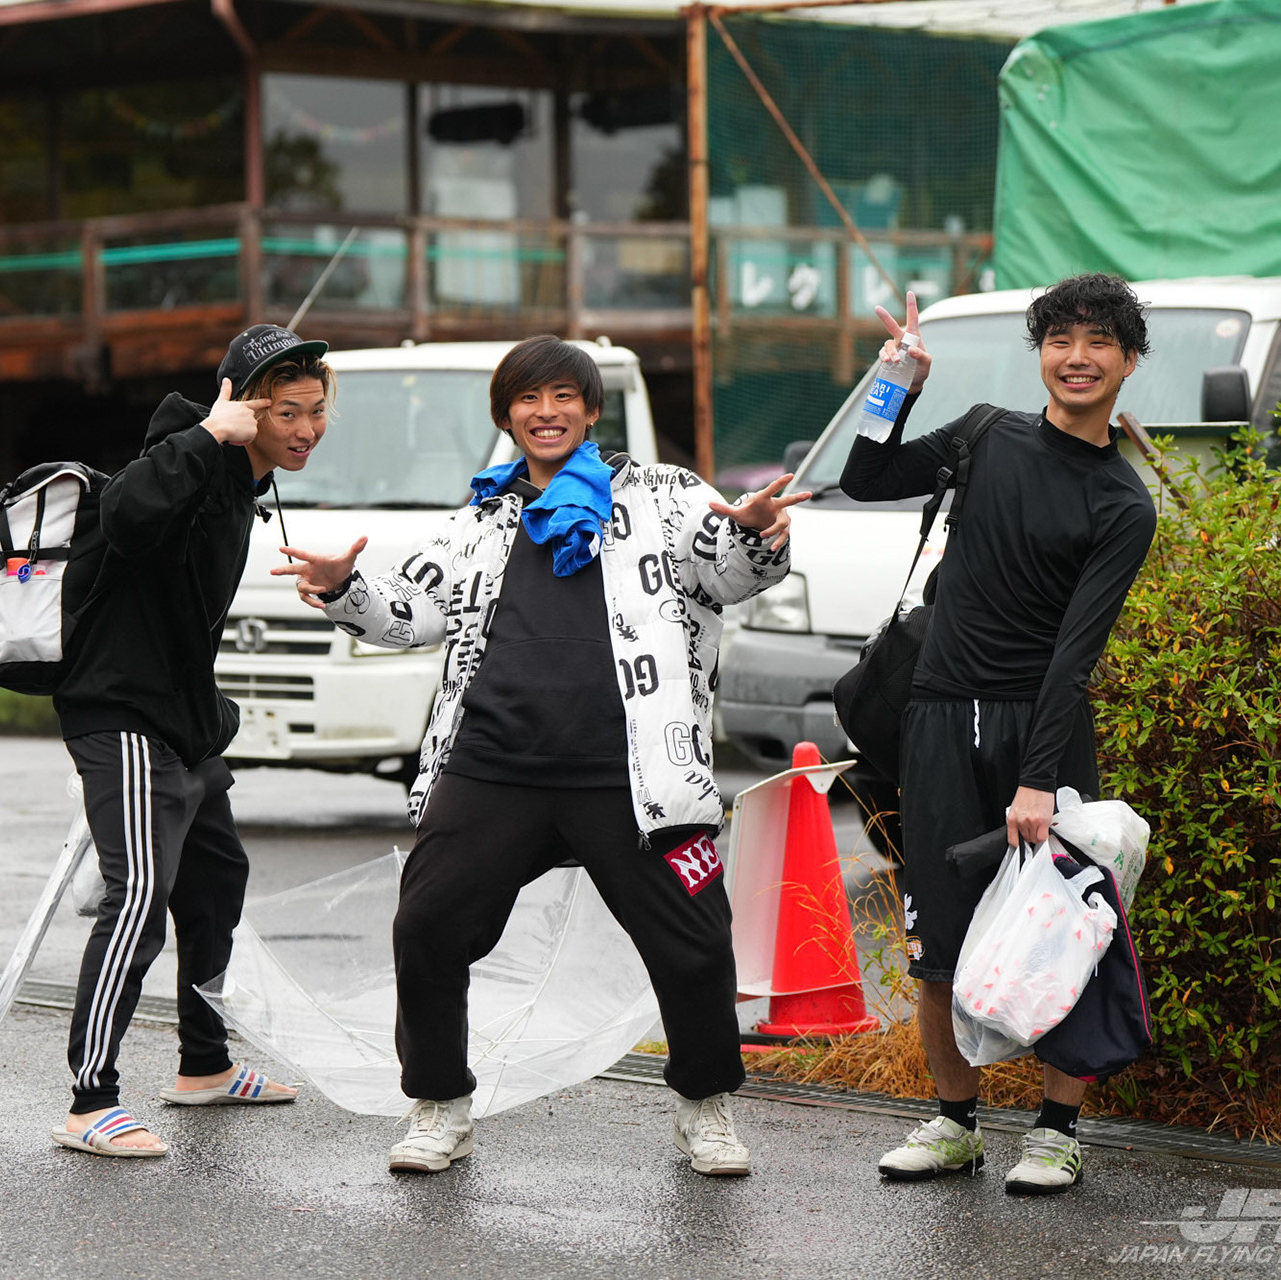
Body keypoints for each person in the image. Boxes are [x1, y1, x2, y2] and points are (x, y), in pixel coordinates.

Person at [275, 335, 807, 1177]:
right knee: (427, 928)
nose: (546, 412)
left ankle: (705, 1107)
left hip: (637, 772)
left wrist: (754, 535)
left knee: (695, 942)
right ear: (507, 416)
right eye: (528, 399)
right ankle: (439, 1105)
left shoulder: (666, 495)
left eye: (563, 396)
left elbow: (729, 574)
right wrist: (346, 588)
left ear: (592, 410)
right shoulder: (482, 515)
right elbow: (411, 615)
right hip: (493, 764)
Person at [843, 276, 1158, 1194]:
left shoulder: (1122, 504)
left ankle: (1057, 1133)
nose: (1077, 357)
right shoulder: (983, 434)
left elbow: (1074, 657)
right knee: (936, 940)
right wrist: (893, 386)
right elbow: (866, 478)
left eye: (1099, 342)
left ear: (1129, 361)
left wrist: (1039, 777)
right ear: (1041, 353)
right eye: (1061, 339)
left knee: (1067, 929)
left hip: (1041, 733)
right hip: (938, 715)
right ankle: (954, 1124)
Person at [50, 324, 330, 1157]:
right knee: (139, 894)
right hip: (121, 710)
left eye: (316, 410)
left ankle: (204, 1066)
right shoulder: (190, 458)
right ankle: (91, 1101)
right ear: (245, 408)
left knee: (214, 883)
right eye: (287, 412)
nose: (307, 429)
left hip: (184, 718)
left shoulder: (242, 481)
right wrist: (210, 433)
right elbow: (126, 514)